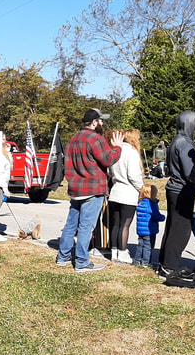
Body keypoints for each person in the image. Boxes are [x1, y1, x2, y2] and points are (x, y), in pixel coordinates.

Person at [56, 109, 124, 273]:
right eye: (101, 121)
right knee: (86, 227)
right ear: (94, 122)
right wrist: (118, 148)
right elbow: (108, 159)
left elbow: (66, 165)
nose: (102, 124)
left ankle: (63, 257)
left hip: (76, 189)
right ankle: (81, 262)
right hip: (93, 189)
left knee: (71, 224)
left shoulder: (73, 139)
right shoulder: (95, 138)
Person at [157, 111, 195, 279]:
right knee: (181, 230)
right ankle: (170, 267)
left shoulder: (176, 140)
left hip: (173, 188)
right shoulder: (186, 144)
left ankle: (164, 263)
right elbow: (190, 172)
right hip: (182, 190)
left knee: (172, 227)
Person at [106, 128, 145, 264]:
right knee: (125, 225)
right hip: (128, 193)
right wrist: (142, 188)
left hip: (115, 191)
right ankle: (123, 253)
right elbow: (133, 175)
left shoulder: (117, 150)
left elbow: (109, 171)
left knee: (115, 223)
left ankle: (114, 252)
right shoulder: (132, 152)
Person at [134, 184, 165, 267]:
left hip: (141, 230)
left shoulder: (140, 203)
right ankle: (146, 262)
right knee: (148, 246)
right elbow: (156, 216)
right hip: (149, 230)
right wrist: (162, 217)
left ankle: (137, 260)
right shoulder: (152, 205)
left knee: (140, 245)